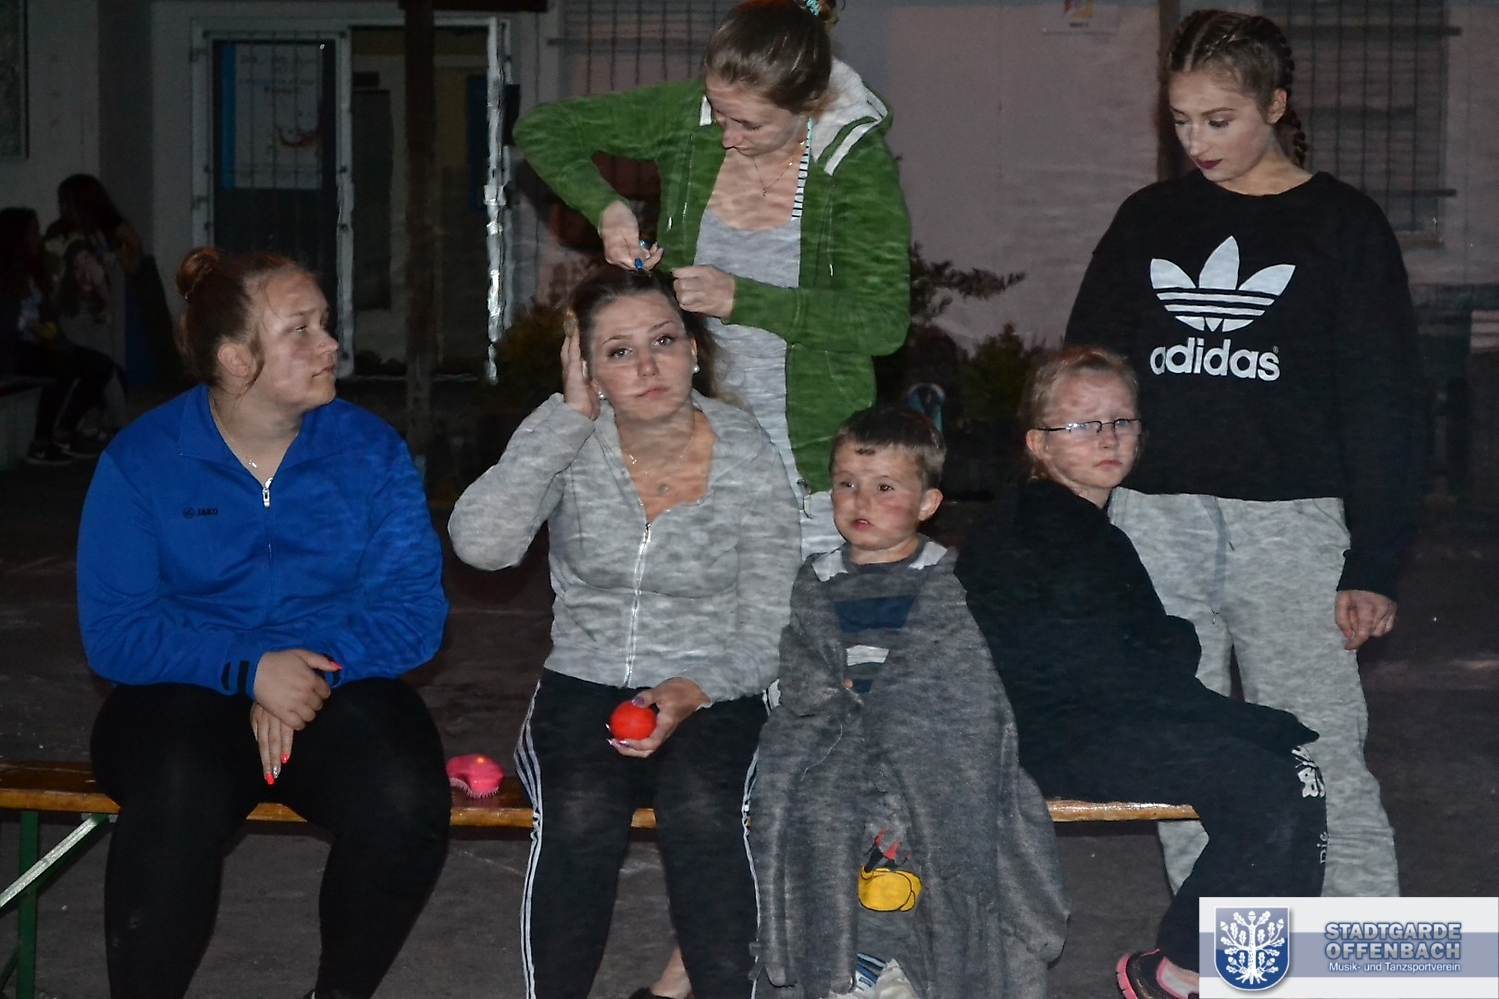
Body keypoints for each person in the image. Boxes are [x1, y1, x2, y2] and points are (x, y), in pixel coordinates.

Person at [1065, 9, 1420, 900]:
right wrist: (1075, 523)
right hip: (1154, 521)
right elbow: (1086, 376)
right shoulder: (1148, 219)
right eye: (1180, 120)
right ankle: (1216, 951)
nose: (1196, 142)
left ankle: (1359, 946)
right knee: (1183, 750)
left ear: (1275, 105)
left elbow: (1383, 402)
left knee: (1319, 748)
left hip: (1291, 528)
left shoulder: (1341, 225)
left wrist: (1373, 562)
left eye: (1217, 120)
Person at [76, 247, 451, 999]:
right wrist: (249, 668)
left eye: (324, 323)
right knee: (177, 794)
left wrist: (299, 672)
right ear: (235, 359)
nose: (330, 344)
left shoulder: (369, 451)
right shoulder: (143, 459)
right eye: (300, 330)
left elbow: (413, 612)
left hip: (332, 682)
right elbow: (116, 632)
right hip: (179, 691)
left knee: (405, 797)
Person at [448, 267, 801, 999]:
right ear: (586, 368)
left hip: (713, 686)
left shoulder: (746, 452)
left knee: (701, 809)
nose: (647, 366)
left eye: (663, 341)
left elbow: (771, 623)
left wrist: (694, 689)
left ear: (694, 350)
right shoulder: (569, 437)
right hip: (584, 681)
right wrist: (566, 418)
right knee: (581, 813)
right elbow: (481, 545)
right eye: (617, 351)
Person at [955, 348, 1328, 999]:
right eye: (1082, 424)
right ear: (1038, 443)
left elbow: (1121, 656)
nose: (1106, 438)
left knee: (1284, 772)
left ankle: (1220, 970)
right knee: (1276, 780)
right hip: (1048, 737)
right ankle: (1183, 969)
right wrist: (1181, 652)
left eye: (1120, 421)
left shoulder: (1075, 524)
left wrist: (1171, 658)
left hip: (1086, 720)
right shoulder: (1042, 527)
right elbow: (1101, 663)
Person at [514, 0, 911, 561]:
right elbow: (543, 128)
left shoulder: (855, 165)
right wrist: (607, 209)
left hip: (807, 464)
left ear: (808, 105)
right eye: (720, 112)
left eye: (749, 124)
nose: (726, 136)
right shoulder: (689, 118)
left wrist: (741, 299)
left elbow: (883, 325)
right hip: (688, 446)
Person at [751, 406, 1068, 999]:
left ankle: (895, 965)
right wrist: (830, 699)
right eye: (846, 483)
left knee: (924, 818)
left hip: (932, 749)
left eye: (885, 488)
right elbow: (800, 667)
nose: (860, 500)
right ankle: (849, 962)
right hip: (838, 746)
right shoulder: (816, 580)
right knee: (816, 811)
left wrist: (903, 715)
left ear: (927, 503)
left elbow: (969, 677)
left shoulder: (952, 580)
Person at [0, 206, 115, 464]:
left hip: (36, 345)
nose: (37, 238)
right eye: (32, 232)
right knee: (60, 367)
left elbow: (48, 317)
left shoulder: (33, 272)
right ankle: (41, 442)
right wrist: (28, 325)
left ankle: (65, 431)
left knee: (100, 364)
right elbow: (7, 323)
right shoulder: (5, 277)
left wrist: (55, 336)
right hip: (11, 349)